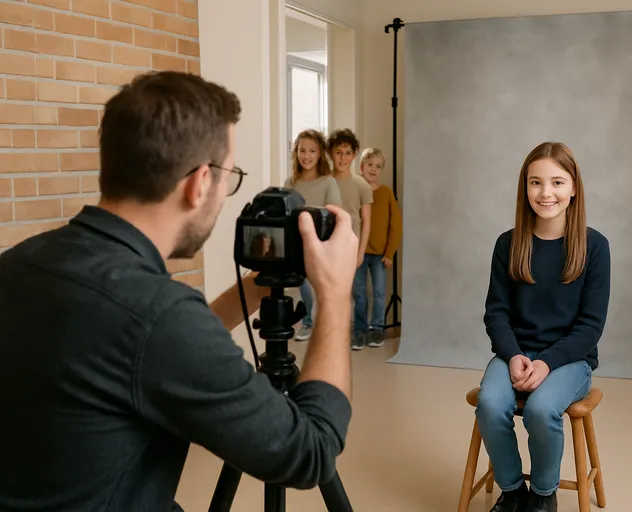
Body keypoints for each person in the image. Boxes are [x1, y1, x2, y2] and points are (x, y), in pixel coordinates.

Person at [0, 71, 359, 512]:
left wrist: (258, 285)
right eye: (229, 176)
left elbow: (146, 348)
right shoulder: (159, 317)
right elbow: (311, 452)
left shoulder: (21, 262)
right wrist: (335, 294)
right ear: (199, 182)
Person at [476, 142, 610, 512]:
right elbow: (496, 314)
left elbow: (590, 326)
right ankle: (512, 490)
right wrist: (513, 355)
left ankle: (542, 495)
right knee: (490, 404)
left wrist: (547, 362)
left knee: (540, 409)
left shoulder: (594, 247)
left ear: (574, 188)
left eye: (557, 182)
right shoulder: (508, 244)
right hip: (516, 354)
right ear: (525, 187)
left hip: (570, 360)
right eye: (536, 182)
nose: (545, 192)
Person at [283, 129, 342, 341]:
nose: (306, 156)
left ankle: (323, 324)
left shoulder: (328, 182)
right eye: (302, 150)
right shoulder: (291, 183)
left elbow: (335, 214)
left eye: (312, 151)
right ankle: (308, 322)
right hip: (296, 243)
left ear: (319, 154)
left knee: (322, 287)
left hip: (322, 243)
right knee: (303, 284)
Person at [327, 128, 374, 350]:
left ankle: (360, 331)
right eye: (338, 152)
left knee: (358, 292)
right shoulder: (325, 182)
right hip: (330, 247)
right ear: (331, 153)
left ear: (354, 154)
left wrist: (361, 251)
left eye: (347, 153)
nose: (342, 158)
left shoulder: (362, 185)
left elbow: (366, 221)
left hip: (353, 248)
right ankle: (335, 333)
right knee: (333, 293)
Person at [358, 148, 402, 347]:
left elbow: (396, 225)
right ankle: (359, 329)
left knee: (379, 292)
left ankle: (377, 329)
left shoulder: (386, 193)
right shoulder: (356, 190)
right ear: (362, 167)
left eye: (378, 166)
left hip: (380, 255)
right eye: (370, 165)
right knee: (359, 292)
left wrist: (389, 253)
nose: (373, 169)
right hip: (358, 253)